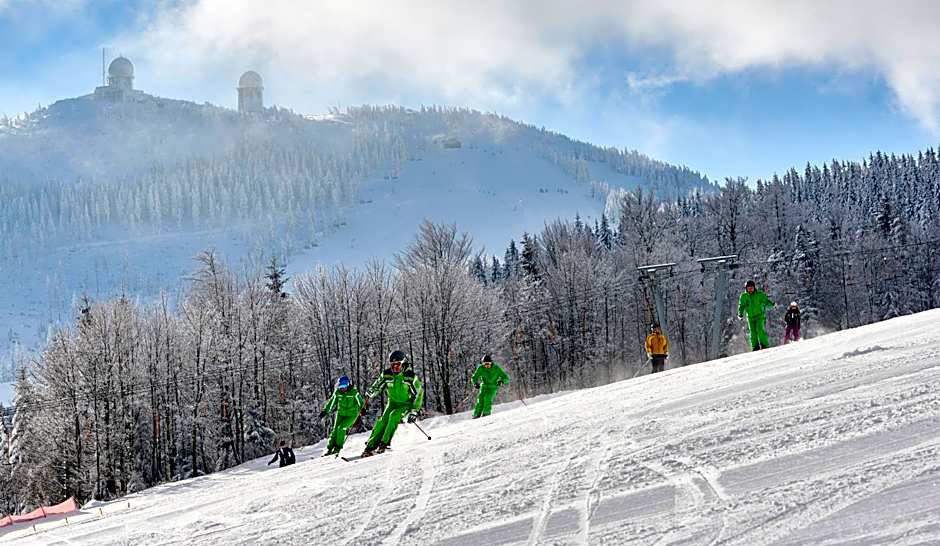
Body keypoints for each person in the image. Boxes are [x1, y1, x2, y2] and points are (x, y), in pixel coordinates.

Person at [360, 350, 424, 458]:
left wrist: (414, 411)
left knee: (393, 416)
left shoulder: (410, 377)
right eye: (392, 365)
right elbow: (377, 386)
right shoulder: (387, 375)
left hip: (406, 404)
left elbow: (418, 394)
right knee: (382, 421)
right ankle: (370, 446)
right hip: (392, 403)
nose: (395, 368)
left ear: (403, 364)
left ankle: (385, 444)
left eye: (397, 365)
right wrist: (371, 393)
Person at [319, 375, 364, 456]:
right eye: (340, 386)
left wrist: (363, 409)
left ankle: (337, 449)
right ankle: (329, 449)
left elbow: (360, 402)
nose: (342, 388)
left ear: (348, 385)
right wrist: (325, 411)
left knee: (341, 428)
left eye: (344, 386)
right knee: (335, 430)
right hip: (341, 414)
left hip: (352, 415)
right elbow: (332, 403)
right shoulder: (337, 393)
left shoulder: (354, 392)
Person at [738, 279, 775, 351]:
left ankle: (764, 345)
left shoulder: (759, 294)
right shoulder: (744, 296)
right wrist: (740, 314)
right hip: (750, 317)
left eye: (752, 288)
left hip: (760, 316)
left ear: (754, 287)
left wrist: (772, 305)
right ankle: (755, 347)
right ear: (746, 289)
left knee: (760, 329)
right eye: (748, 288)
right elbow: (741, 306)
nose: (750, 289)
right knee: (752, 333)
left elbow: (766, 301)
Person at [471, 354, 510, 419]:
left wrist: (502, 381)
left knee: (487, 398)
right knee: (480, 399)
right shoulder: (481, 368)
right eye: (485, 364)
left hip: (493, 387)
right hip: (484, 386)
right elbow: (474, 377)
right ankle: (476, 414)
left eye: (488, 364)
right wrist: (475, 383)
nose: (486, 366)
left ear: (491, 363)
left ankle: (486, 413)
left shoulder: (496, 368)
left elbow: (506, 378)